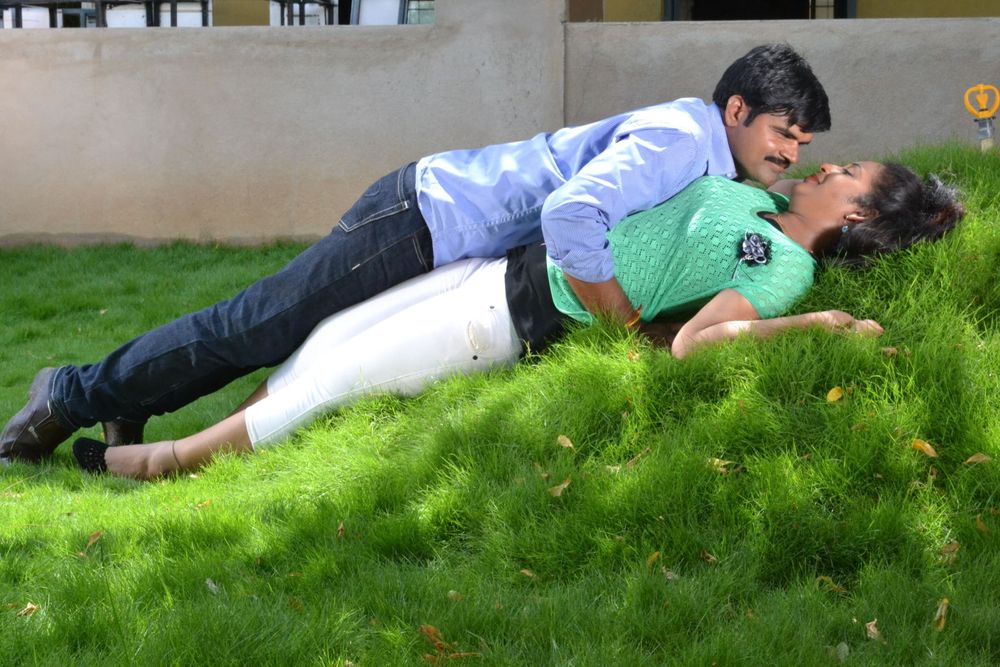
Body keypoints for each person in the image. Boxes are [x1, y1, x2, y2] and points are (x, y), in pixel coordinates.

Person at [1, 44, 831, 464]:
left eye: (803, 144)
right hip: (428, 219)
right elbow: (573, 211)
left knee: (278, 331)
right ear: (735, 109)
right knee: (258, 325)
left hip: (452, 234)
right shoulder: (682, 138)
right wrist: (619, 315)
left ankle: (127, 403)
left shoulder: (709, 158)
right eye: (783, 131)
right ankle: (66, 394)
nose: (791, 152)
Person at [69, 161, 964, 480]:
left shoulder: (783, 265)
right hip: (503, 268)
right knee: (326, 342)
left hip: (516, 318)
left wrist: (818, 324)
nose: (826, 165)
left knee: (334, 380)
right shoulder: (757, 198)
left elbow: (698, 343)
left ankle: (159, 463)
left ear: (856, 213)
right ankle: (189, 445)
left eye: (847, 172)